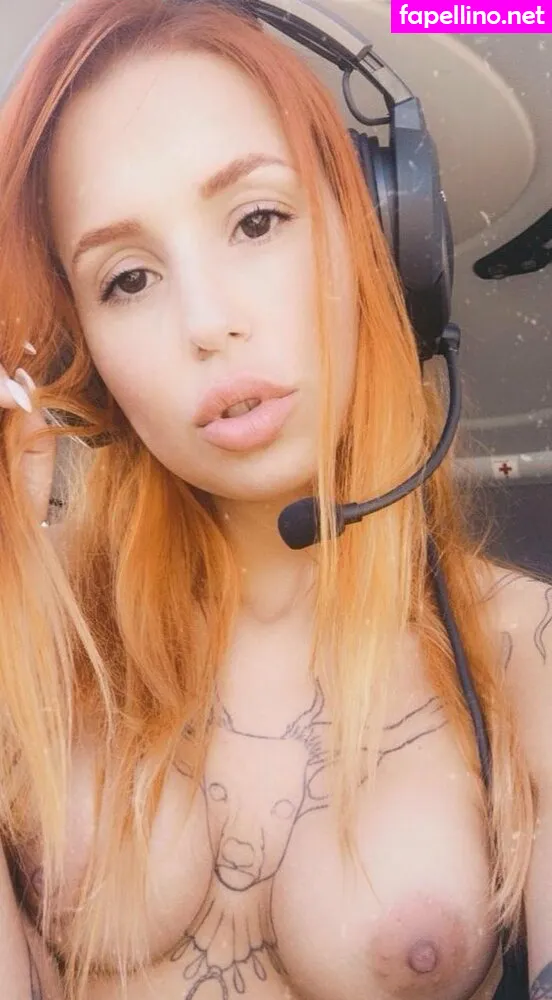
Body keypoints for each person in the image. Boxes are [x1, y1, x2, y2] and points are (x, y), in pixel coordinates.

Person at [0, 0, 550, 998]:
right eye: (128, 279)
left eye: (257, 220)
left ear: (380, 237)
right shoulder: (35, 639)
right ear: (84, 355)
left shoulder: (526, 653)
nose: (206, 322)